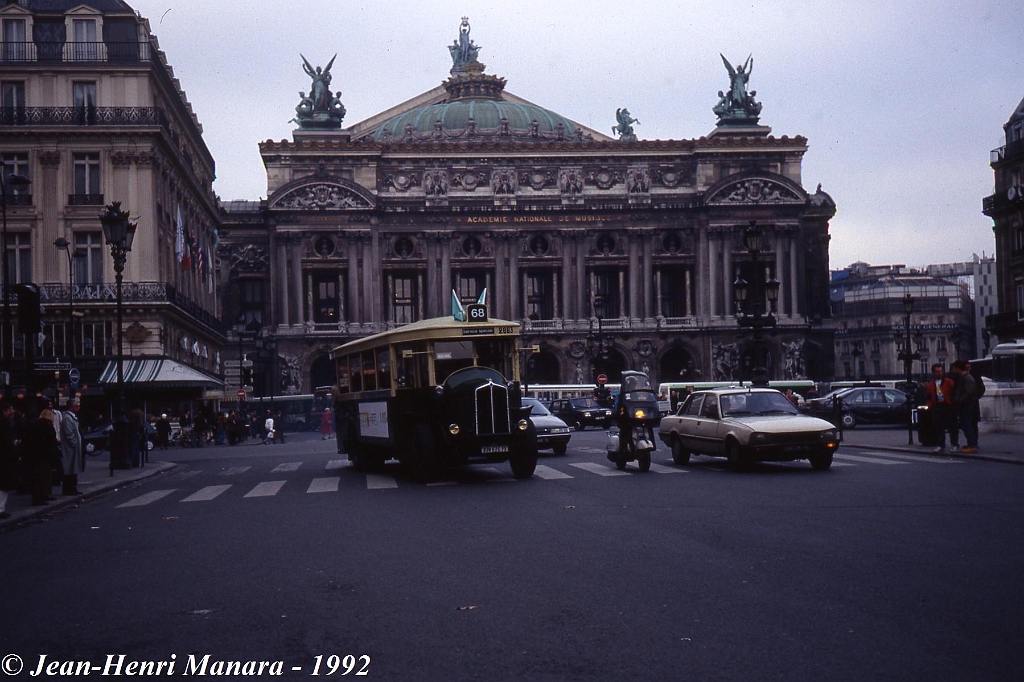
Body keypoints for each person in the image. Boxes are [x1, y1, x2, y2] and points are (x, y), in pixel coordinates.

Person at [24, 406, 59, 505]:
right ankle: (43, 495)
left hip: (35, 455)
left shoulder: (34, 425)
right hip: (45, 455)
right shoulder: (48, 426)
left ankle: (38, 496)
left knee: (37, 477)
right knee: (45, 476)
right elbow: (52, 442)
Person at [923, 363, 958, 453]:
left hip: (947, 405)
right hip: (937, 406)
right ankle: (940, 444)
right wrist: (931, 407)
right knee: (939, 427)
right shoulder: (931, 384)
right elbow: (929, 396)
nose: (939, 373)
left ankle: (954, 444)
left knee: (952, 427)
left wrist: (953, 404)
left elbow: (954, 394)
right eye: (937, 372)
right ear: (933, 373)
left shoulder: (949, 382)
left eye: (941, 371)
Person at [950, 360, 980, 453]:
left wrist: (960, 400)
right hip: (964, 404)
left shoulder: (967, 378)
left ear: (958, 368)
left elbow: (969, 392)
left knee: (967, 425)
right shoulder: (964, 377)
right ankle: (971, 444)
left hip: (965, 405)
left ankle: (972, 445)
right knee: (966, 425)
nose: (953, 370)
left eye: (954, 368)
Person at [60, 398, 83, 495]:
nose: (79, 407)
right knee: (69, 468)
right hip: (69, 448)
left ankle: (72, 488)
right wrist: (74, 443)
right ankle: (68, 489)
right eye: (76, 406)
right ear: (71, 406)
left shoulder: (70, 417)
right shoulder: (67, 418)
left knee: (72, 469)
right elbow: (69, 433)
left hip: (73, 447)